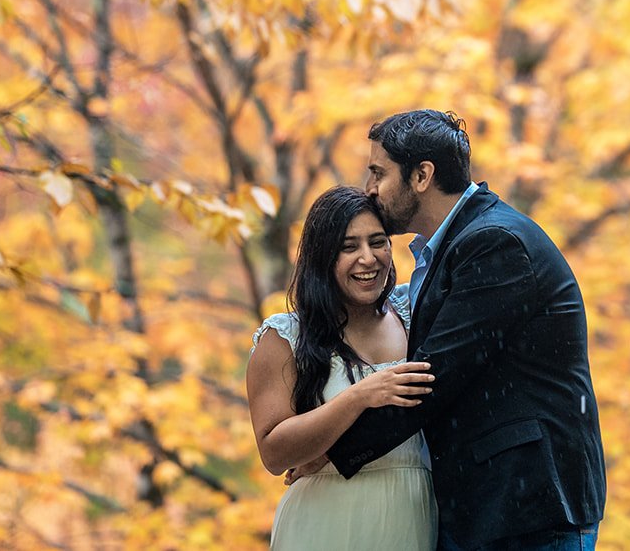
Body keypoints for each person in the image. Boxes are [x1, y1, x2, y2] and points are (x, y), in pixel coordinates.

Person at [317, 110, 607, 551]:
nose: (370, 189)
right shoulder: (453, 246)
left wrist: (329, 452)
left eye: (379, 172)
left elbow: (432, 378)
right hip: (487, 507)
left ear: (422, 176)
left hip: (527, 509)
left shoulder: (494, 243)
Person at [246, 185, 439, 550]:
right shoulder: (284, 337)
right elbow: (274, 453)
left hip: (413, 518)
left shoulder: (416, 317)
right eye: (349, 247)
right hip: (323, 523)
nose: (368, 258)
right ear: (322, 258)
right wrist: (359, 397)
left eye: (377, 242)